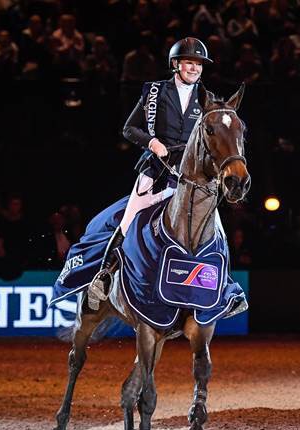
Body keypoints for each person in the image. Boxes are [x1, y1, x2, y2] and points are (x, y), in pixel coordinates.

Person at [88, 36, 214, 307]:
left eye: (199, 64)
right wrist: (152, 143)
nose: (194, 68)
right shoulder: (155, 91)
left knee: (215, 228)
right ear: (176, 64)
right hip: (157, 170)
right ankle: (104, 277)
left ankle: (227, 289)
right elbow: (129, 128)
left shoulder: (208, 99)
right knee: (128, 220)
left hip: (190, 176)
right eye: (189, 62)